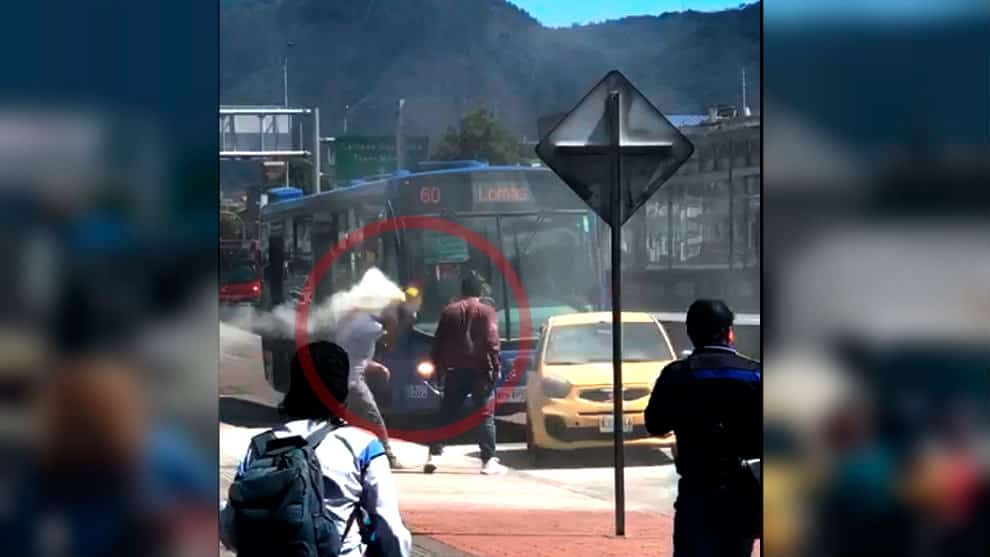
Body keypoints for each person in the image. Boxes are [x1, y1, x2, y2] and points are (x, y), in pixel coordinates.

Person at [221, 341, 411, 557]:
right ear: (342, 387)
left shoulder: (261, 445)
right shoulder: (363, 446)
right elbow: (392, 531)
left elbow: (230, 527)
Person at [644, 299, 761, 557]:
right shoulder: (755, 374)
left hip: (695, 493)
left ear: (690, 333)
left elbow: (654, 425)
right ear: (729, 332)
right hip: (743, 494)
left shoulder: (676, 375)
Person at [425, 272, 507, 475]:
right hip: (481, 371)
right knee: (485, 415)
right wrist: (496, 368)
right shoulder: (487, 311)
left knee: (446, 413)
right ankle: (488, 461)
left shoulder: (449, 312)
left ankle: (433, 455)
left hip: (455, 371)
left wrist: (437, 369)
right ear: (480, 292)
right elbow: (492, 342)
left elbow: (438, 342)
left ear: (462, 291)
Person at [334, 278, 411, 470]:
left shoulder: (355, 322)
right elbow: (391, 339)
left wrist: (376, 366)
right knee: (374, 419)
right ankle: (388, 457)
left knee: (344, 423)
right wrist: (394, 318)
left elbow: (356, 355)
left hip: (344, 380)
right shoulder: (368, 325)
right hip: (352, 383)